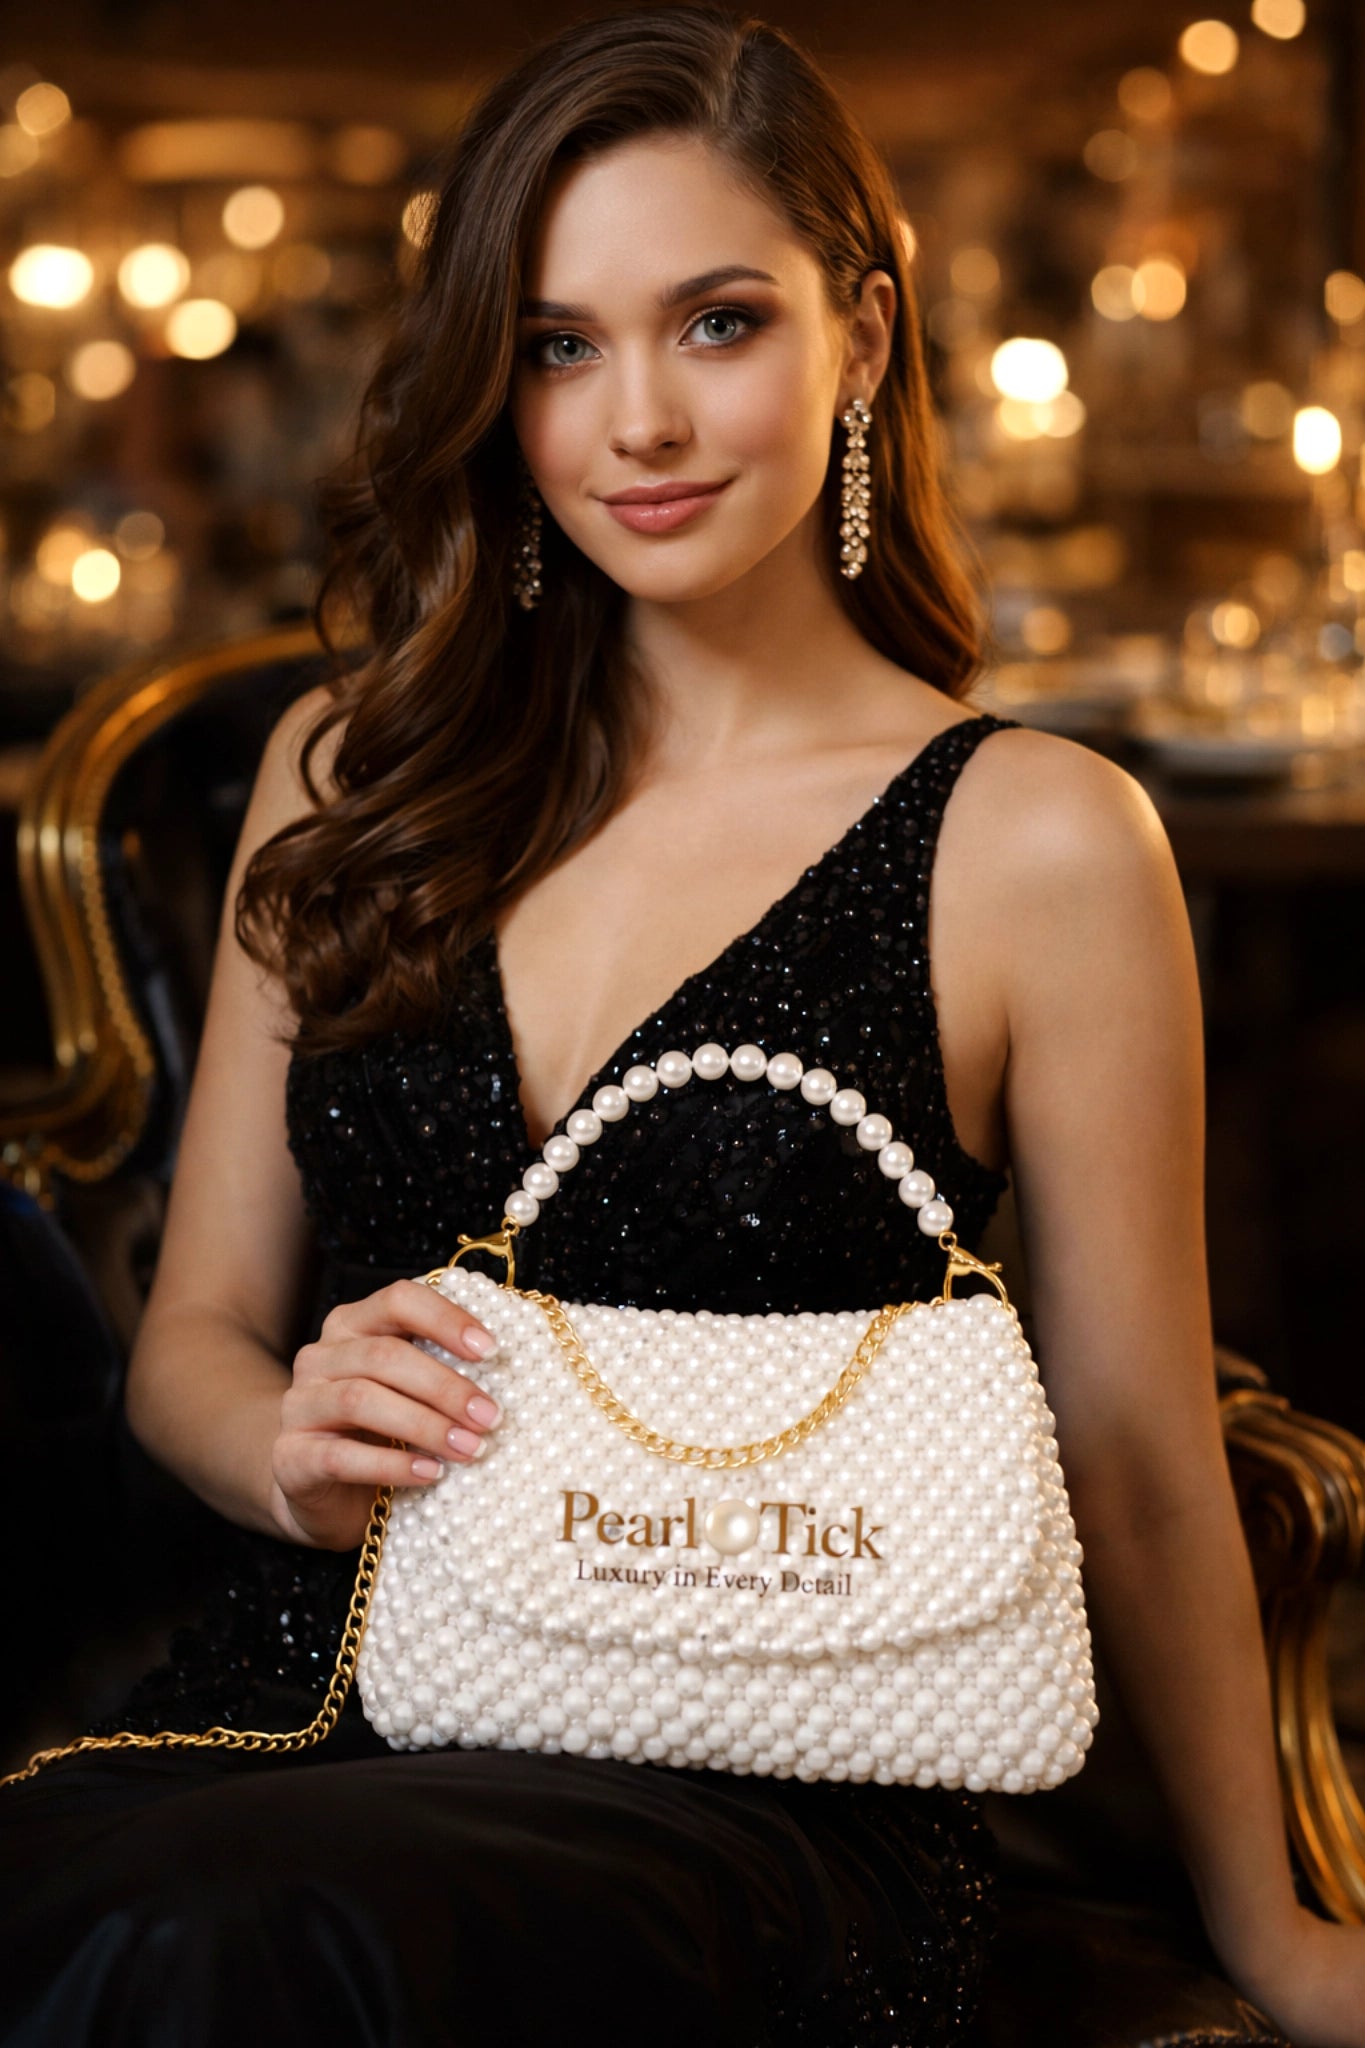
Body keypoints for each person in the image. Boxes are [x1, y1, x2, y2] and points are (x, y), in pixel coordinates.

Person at [2, 6, 1362, 2043]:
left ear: (864, 339)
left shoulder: (1036, 845)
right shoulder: (347, 775)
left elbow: (1141, 1456)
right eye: (559, 346)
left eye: (713, 323)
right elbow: (192, 1343)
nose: (633, 418)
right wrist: (285, 1449)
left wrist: (1268, 1929)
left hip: (760, 1787)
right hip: (302, 1702)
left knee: (233, 1945)